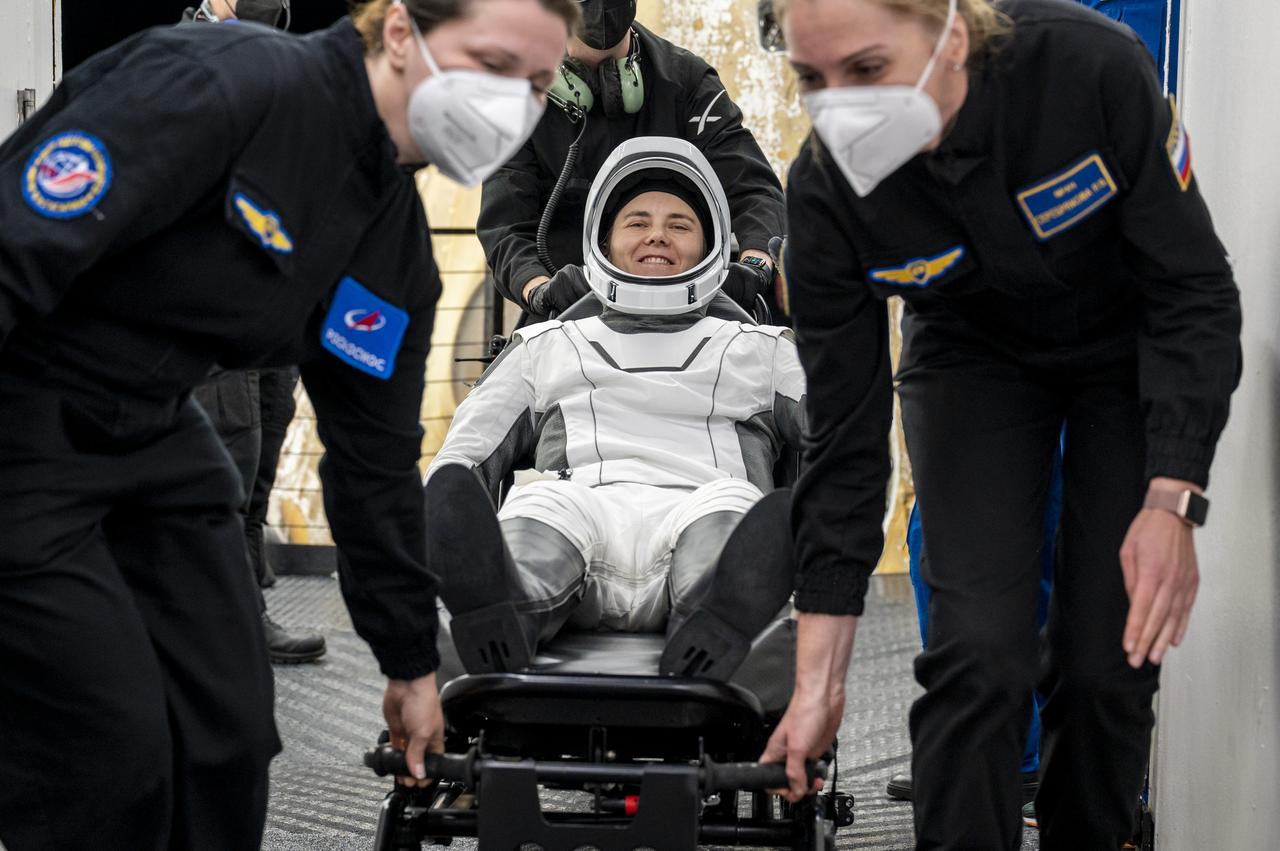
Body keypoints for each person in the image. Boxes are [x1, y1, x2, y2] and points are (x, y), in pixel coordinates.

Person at [0, 0, 574, 847]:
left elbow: (372, 467)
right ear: (403, 33)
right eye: (491, 65)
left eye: (535, 84)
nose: (512, 105)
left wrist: (410, 659)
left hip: (156, 431)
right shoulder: (222, 84)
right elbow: (12, 250)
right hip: (24, 418)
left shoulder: (392, 255)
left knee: (227, 733)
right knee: (107, 748)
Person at [762, 1, 1242, 849]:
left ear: (949, 35)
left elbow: (1194, 288)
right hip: (970, 358)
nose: (840, 108)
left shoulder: (1093, 70)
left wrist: (1174, 497)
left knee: (1107, 661)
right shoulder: (827, 195)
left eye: (867, 70)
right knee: (980, 652)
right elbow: (844, 436)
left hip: (1122, 348)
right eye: (812, 80)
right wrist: (817, 678)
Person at [426, 137, 804, 678]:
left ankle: (718, 619)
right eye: (636, 222)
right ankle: (503, 609)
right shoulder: (546, 344)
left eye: (679, 224)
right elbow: (462, 464)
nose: (657, 234)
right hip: (580, 515)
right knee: (542, 504)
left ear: (710, 243)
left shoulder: (763, 349)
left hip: (703, 517)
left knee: (733, 504)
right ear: (603, 240)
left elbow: (837, 433)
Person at [478, 0, 787, 323]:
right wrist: (540, 290)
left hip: (691, 310)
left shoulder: (688, 81)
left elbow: (752, 187)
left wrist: (756, 265)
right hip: (567, 313)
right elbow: (505, 225)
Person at [179, 0, 326, 664]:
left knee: (261, 454)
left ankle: (242, 596)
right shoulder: (182, 54)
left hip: (275, 300)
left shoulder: (286, 62)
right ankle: (232, 619)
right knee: (231, 460)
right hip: (216, 299)